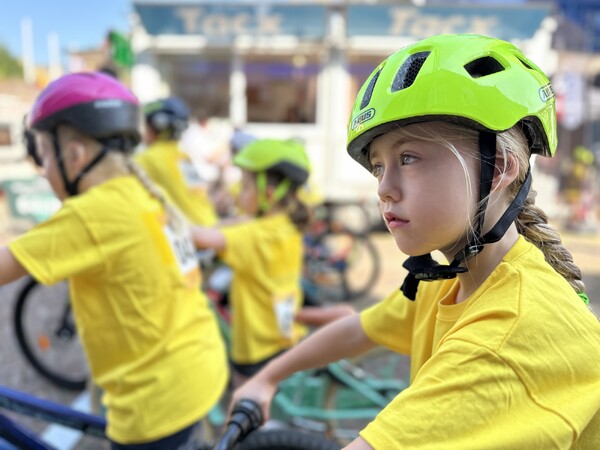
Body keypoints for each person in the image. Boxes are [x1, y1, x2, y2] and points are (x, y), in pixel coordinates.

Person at [230, 34, 600, 449]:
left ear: (497, 168)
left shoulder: (509, 334)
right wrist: (266, 379)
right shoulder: (451, 276)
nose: (384, 189)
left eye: (408, 159)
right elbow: (358, 330)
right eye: (377, 167)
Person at [0, 72, 228, 449]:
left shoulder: (92, 213)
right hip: (199, 373)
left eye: (43, 157)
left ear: (74, 155)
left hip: (155, 410)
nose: (44, 171)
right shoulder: (141, 192)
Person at [191, 138, 312, 388]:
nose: (238, 194)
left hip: (255, 345)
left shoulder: (257, 236)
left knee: (241, 410)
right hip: (282, 333)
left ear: (268, 194)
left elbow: (201, 238)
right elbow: (242, 222)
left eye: (245, 187)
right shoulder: (284, 223)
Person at [136, 96, 219, 226]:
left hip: (189, 234)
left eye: (146, 125)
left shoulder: (148, 158)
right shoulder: (183, 156)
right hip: (209, 225)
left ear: (157, 125)